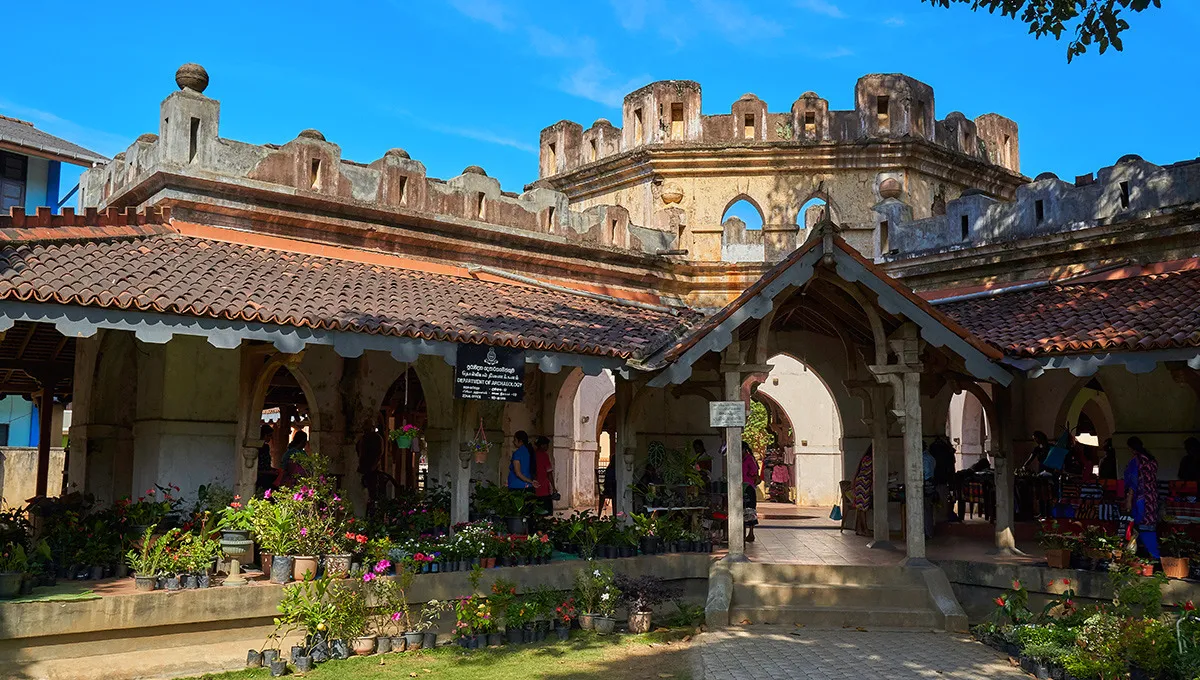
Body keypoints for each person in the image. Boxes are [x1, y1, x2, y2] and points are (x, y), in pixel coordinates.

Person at [1123, 436, 1161, 560]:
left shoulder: (1136, 461)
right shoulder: (1151, 459)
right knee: (1148, 524)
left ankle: (1153, 555)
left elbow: (1133, 482)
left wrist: (1129, 499)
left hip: (1141, 498)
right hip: (1152, 497)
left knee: (1141, 525)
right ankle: (1148, 555)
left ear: (1131, 448)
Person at [532, 435, 556, 516]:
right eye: (546, 445)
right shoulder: (544, 456)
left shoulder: (533, 455)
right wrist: (554, 487)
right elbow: (549, 473)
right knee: (546, 512)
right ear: (542, 445)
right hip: (544, 488)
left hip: (534, 487)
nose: (547, 447)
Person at [741, 442, 760, 543]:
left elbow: (754, 472)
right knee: (743, 510)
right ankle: (744, 533)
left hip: (749, 487)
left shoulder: (749, 459)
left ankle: (751, 533)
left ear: (744, 449)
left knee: (750, 510)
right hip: (741, 486)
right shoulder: (740, 459)